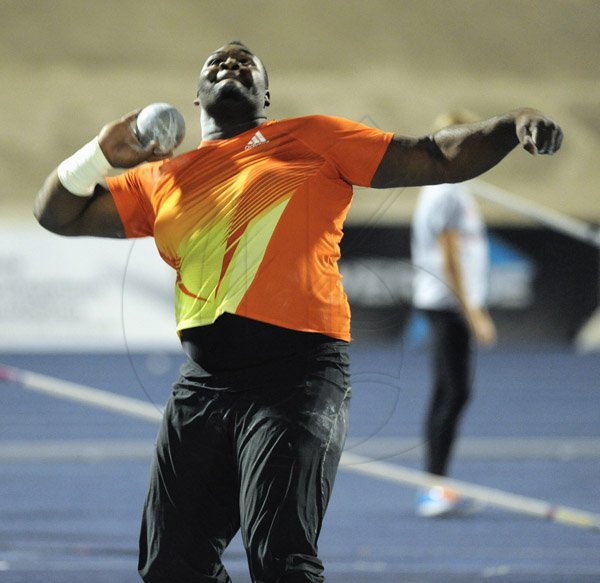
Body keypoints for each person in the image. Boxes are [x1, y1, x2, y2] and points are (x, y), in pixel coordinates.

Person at [33, 41, 563, 582]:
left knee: (280, 560)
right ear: (196, 98)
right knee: (169, 564)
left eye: (245, 63)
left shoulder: (314, 139)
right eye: (216, 63)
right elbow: (58, 214)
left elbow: (435, 154)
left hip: (299, 378)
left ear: (266, 95)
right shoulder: (164, 178)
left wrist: (513, 124)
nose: (229, 63)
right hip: (205, 385)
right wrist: (98, 155)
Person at [411, 111, 498, 518]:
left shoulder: (454, 187)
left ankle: (435, 484)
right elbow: (449, 255)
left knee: (449, 391)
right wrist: (473, 311)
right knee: (453, 391)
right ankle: (434, 487)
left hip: (447, 303)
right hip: (447, 304)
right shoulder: (444, 190)